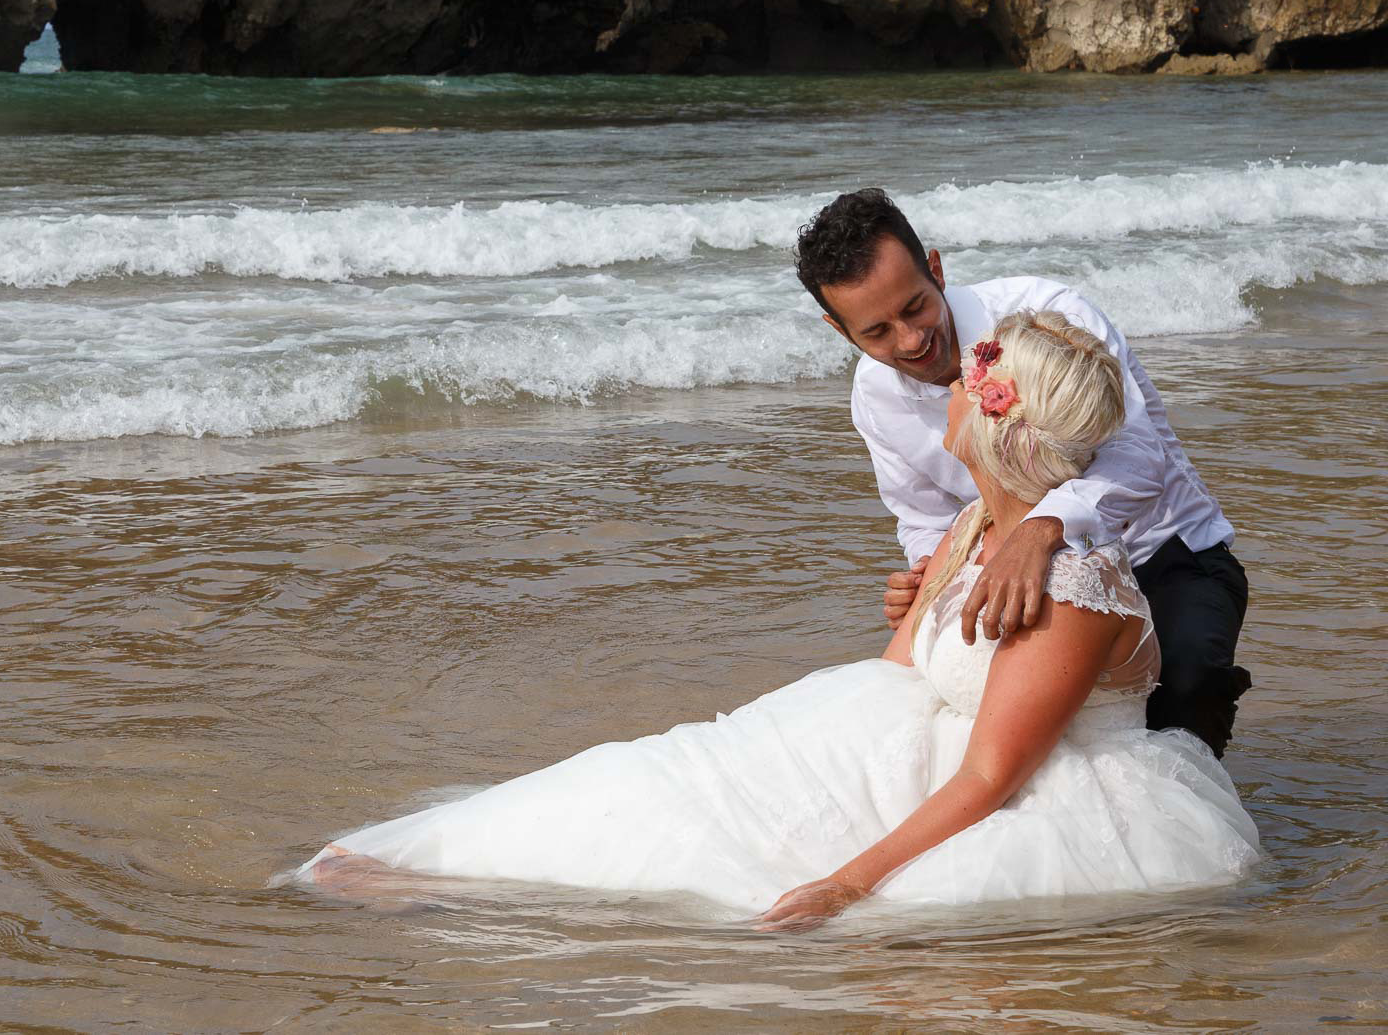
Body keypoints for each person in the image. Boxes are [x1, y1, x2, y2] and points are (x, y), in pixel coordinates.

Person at [292, 311, 1261, 930]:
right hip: (921, 739)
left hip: (1035, 796)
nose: (950, 386)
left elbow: (993, 774)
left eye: (971, 381)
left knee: (759, 866)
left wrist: (849, 880)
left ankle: (477, 895)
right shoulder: (979, 524)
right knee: (671, 773)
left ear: (1002, 425)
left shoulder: (1070, 588)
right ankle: (463, 866)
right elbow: (898, 669)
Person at [795, 188, 1251, 757]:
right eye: (876, 332)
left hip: (1166, 554)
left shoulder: (1048, 314)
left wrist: (1043, 529)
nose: (911, 341)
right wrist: (924, 579)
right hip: (1027, 590)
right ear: (841, 330)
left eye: (915, 307)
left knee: (1180, 709)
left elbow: (1140, 456)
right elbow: (924, 517)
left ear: (935, 269)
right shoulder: (873, 397)